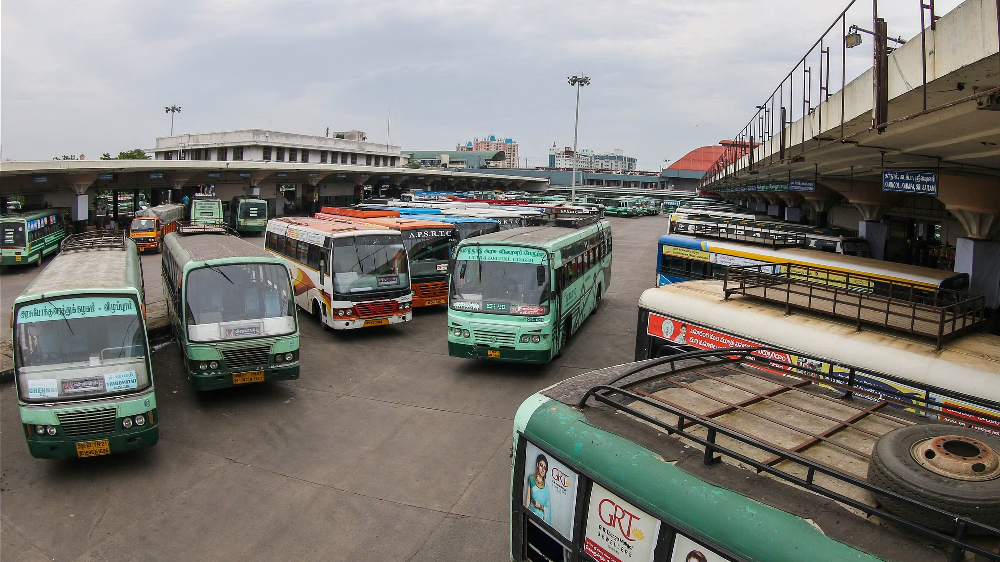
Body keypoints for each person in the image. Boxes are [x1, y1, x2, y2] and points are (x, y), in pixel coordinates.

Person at [524, 454, 551, 524]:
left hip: (541, 519)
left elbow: (548, 509)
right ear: (537, 465)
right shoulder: (531, 479)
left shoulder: (546, 488)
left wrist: (540, 506)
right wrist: (525, 515)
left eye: (545, 468)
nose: (542, 470)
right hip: (531, 515)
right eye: (541, 466)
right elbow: (528, 498)